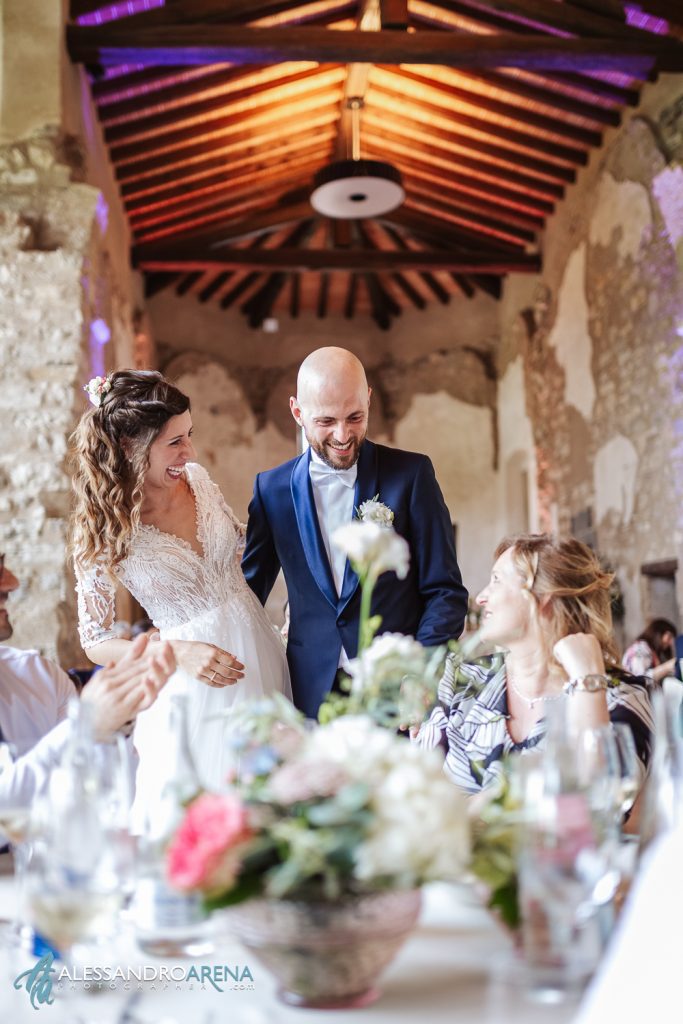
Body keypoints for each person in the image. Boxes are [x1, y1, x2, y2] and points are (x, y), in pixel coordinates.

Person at [69, 369, 291, 820]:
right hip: (191, 684)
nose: (189, 451)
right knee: (207, 814)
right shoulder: (101, 527)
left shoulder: (198, 479)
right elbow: (95, 641)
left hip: (260, 653)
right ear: (131, 446)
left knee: (275, 798)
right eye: (174, 442)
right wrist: (175, 652)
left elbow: (236, 542)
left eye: (189, 435)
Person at [242, 346, 468, 717]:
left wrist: (419, 671)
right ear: (297, 412)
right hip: (309, 694)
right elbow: (248, 595)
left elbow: (445, 591)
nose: (343, 435)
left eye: (355, 417)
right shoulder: (271, 491)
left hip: (397, 693)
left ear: (369, 400)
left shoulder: (411, 477)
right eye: (326, 421)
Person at [415, 534, 653, 799]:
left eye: (496, 580)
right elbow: (414, 794)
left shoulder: (621, 698)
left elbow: (605, 809)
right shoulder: (461, 681)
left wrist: (587, 683)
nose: (481, 597)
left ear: (543, 597)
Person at [0, 553, 175, 808]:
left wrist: (117, 723)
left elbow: (106, 795)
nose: (13, 582)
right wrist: (83, 727)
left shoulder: (38, 675)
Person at [622, 618, 676, 683]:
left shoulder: (652, 652)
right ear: (658, 633)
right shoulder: (640, 648)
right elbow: (639, 678)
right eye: (669, 636)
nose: (671, 642)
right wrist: (667, 667)